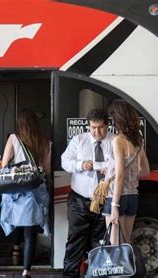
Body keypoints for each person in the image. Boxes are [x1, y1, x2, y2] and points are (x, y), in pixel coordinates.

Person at [61, 108, 114, 277]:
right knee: (75, 240)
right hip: (79, 199)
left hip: (104, 199)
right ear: (88, 126)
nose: (96, 132)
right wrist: (80, 165)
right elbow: (65, 161)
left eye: (100, 127)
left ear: (107, 125)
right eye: (93, 128)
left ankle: (97, 274)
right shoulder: (79, 140)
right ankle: (70, 275)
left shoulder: (115, 141)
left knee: (100, 242)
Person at [0, 109, 51, 278]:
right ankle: (26, 270)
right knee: (30, 233)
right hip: (35, 192)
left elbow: (4, 165)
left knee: (15, 219)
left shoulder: (14, 139)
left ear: (19, 123)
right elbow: (47, 170)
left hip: (16, 190)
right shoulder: (45, 141)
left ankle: (15, 249)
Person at [104, 99, 149, 244]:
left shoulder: (118, 140)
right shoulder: (138, 139)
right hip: (132, 196)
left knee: (115, 244)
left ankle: (118, 268)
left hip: (116, 196)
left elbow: (119, 175)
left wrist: (115, 205)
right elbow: (145, 171)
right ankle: (128, 267)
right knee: (125, 243)